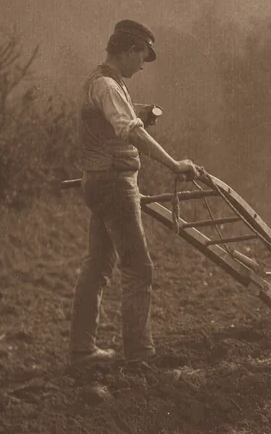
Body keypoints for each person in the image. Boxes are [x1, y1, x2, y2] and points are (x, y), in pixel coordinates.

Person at [68, 19, 206, 367]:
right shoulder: (109, 87)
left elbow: (113, 118)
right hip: (115, 183)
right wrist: (174, 164)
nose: (143, 64)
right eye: (142, 55)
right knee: (139, 269)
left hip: (98, 181)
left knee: (98, 266)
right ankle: (140, 358)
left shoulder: (101, 82)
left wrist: (141, 112)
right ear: (128, 50)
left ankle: (83, 351)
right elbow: (129, 131)